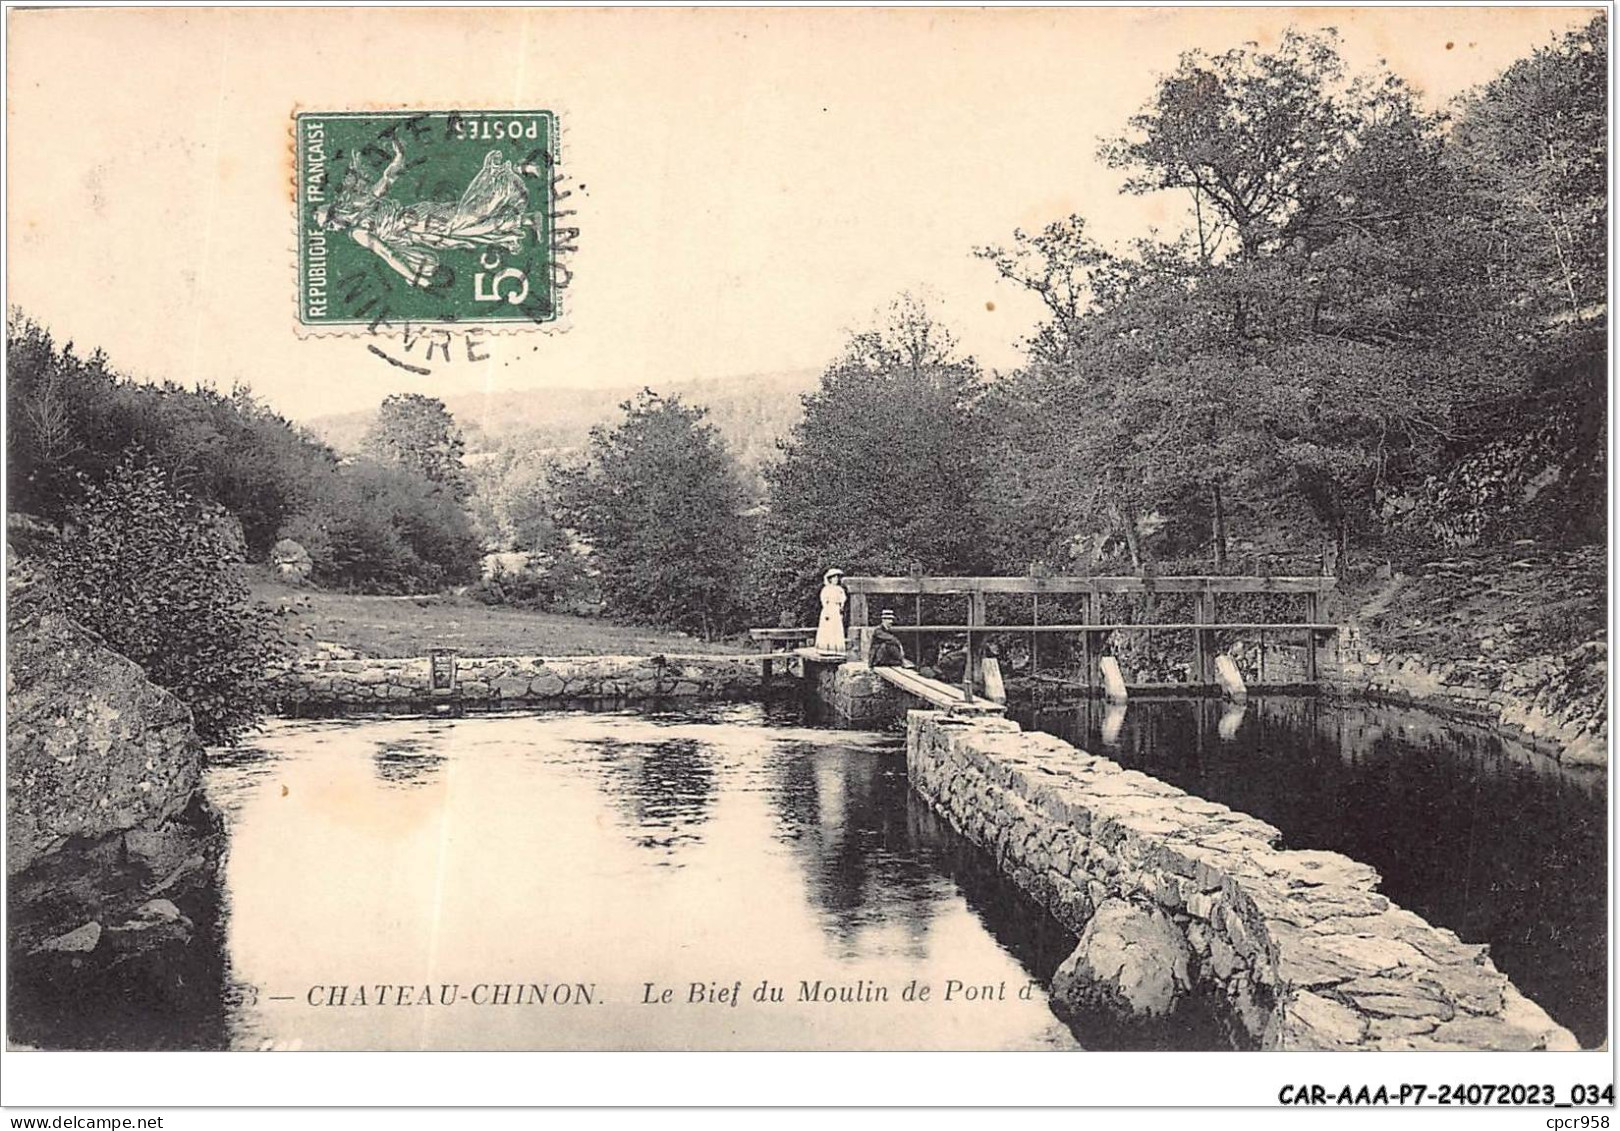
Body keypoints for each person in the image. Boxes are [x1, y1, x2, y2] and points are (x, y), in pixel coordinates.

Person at [315, 137, 545, 287]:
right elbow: (387, 179)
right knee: (471, 228)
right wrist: (398, 158)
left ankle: (512, 177)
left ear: (337, 214)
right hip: (422, 221)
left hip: (423, 225)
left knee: (470, 220)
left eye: (330, 224)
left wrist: (413, 276)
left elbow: (388, 254)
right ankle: (523, 209)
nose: (333, 228)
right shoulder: (364, 205)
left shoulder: (358, 231)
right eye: (329, 228)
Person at [814, 567, 847, 654]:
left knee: (836, 628)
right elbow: (824, 601)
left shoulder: (839, 589)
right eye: (834, 578)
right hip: (829, 609)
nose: (835, 579)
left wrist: (841, 607)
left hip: (836, 609)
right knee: (828, 628)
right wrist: (827, 612)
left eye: (837, 578)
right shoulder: (826, 589)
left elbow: (843, 599)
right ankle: (826, 649)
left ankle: (836, 649)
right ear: (830, 579)